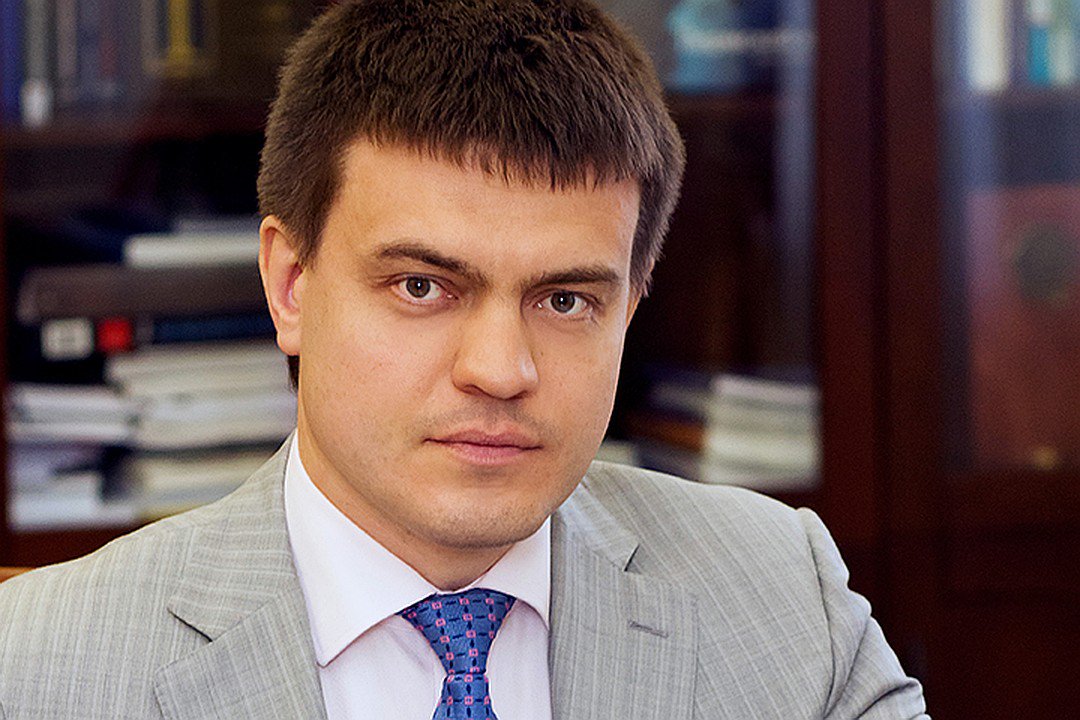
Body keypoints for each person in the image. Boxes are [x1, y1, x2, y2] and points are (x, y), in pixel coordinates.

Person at [0, 1, 929, 718]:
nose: (500, 369)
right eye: (423, 286)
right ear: (291, 286)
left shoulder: (786, 599)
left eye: (564, 300)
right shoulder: (36, 670)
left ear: (630, 307)